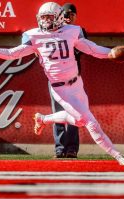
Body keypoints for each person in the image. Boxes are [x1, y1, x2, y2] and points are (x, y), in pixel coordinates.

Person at [0, 2, 124, 165]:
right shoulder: (33, 35)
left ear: (58, 17)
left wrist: (111, 53)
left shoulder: (72, 31)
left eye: (49, 17)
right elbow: (12, 53)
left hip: (77, 83)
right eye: (43, 17)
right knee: (90, 122)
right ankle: (118, 156)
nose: (45, 20)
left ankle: (43, 119)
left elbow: (92, 49)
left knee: (79, 121)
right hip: (60, 88)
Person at [50, 3, 87, 159]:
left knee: (74, 114)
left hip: (73, 79)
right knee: (57, 114)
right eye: (66, 14)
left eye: (72, 14)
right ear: (59, 15)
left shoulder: (78, 31)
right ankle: (59, 148)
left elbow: (82, 49)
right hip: (55, 78)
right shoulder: (52, 30)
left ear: (75, 16)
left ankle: (71, 148)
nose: (68, 17)